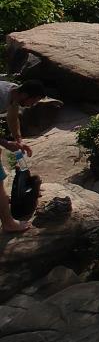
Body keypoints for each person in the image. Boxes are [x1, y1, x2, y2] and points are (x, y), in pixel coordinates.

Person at [1, 77, 46, 234]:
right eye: (32, 102)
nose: (31, 106)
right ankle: (8, 223)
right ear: (24, 94)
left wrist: (19, 141)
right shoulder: (1, 96)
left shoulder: (13, 93)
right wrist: (6, 144)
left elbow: (12, 118)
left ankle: (3, 199)